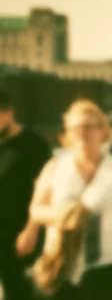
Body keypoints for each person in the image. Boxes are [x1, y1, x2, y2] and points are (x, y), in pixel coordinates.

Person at [16, 99, 112, 300]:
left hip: (106, 265)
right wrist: (60, 216)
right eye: (76, 127)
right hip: (60, 263)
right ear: (67, 133)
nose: (83, 132)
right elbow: (36, 209)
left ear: (103, 131)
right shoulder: (56, 167)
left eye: (90, 126)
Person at [0, 88, 52, 300]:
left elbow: (48, 194)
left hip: (18, 237)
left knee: (18, 293)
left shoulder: (34, 145)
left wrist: (32, 231)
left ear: (10, 112)